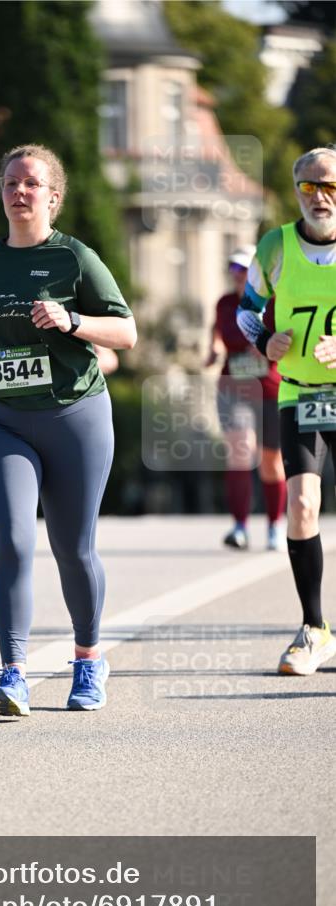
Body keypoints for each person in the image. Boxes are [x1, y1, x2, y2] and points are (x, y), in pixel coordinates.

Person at [0, 143, 136, 715]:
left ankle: (88, 661)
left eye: (31, 183)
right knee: (11, 541)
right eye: (10, 182)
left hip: (74, 416)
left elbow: (127, 334)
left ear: (52, 197)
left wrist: (73, 320)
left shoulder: (76, 258)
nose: (18, 191)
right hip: (1, 418)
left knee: (72, 548)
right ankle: (12, 675)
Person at [237, 145, 336, 675]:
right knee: (301, 505)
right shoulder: (276, 244)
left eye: (331, 187)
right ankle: (315, 629)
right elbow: (246, 311)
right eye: (309, 186)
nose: (320, 197)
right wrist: (264, 342)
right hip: (303, 392)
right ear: (295, 189)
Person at [206, 247, 286, 551]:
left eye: (244, 270)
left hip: (270, 389)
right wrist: (212, 348)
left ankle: (274, 526)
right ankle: (239, 527)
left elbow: (292, 334)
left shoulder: (277, 301)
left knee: (270, 463)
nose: (238, 276)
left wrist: (269, 343)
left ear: (257, 273)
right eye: (234, 270)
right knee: (240, 452)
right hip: (234, 387)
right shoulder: (225, 303)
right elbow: (217, 330)